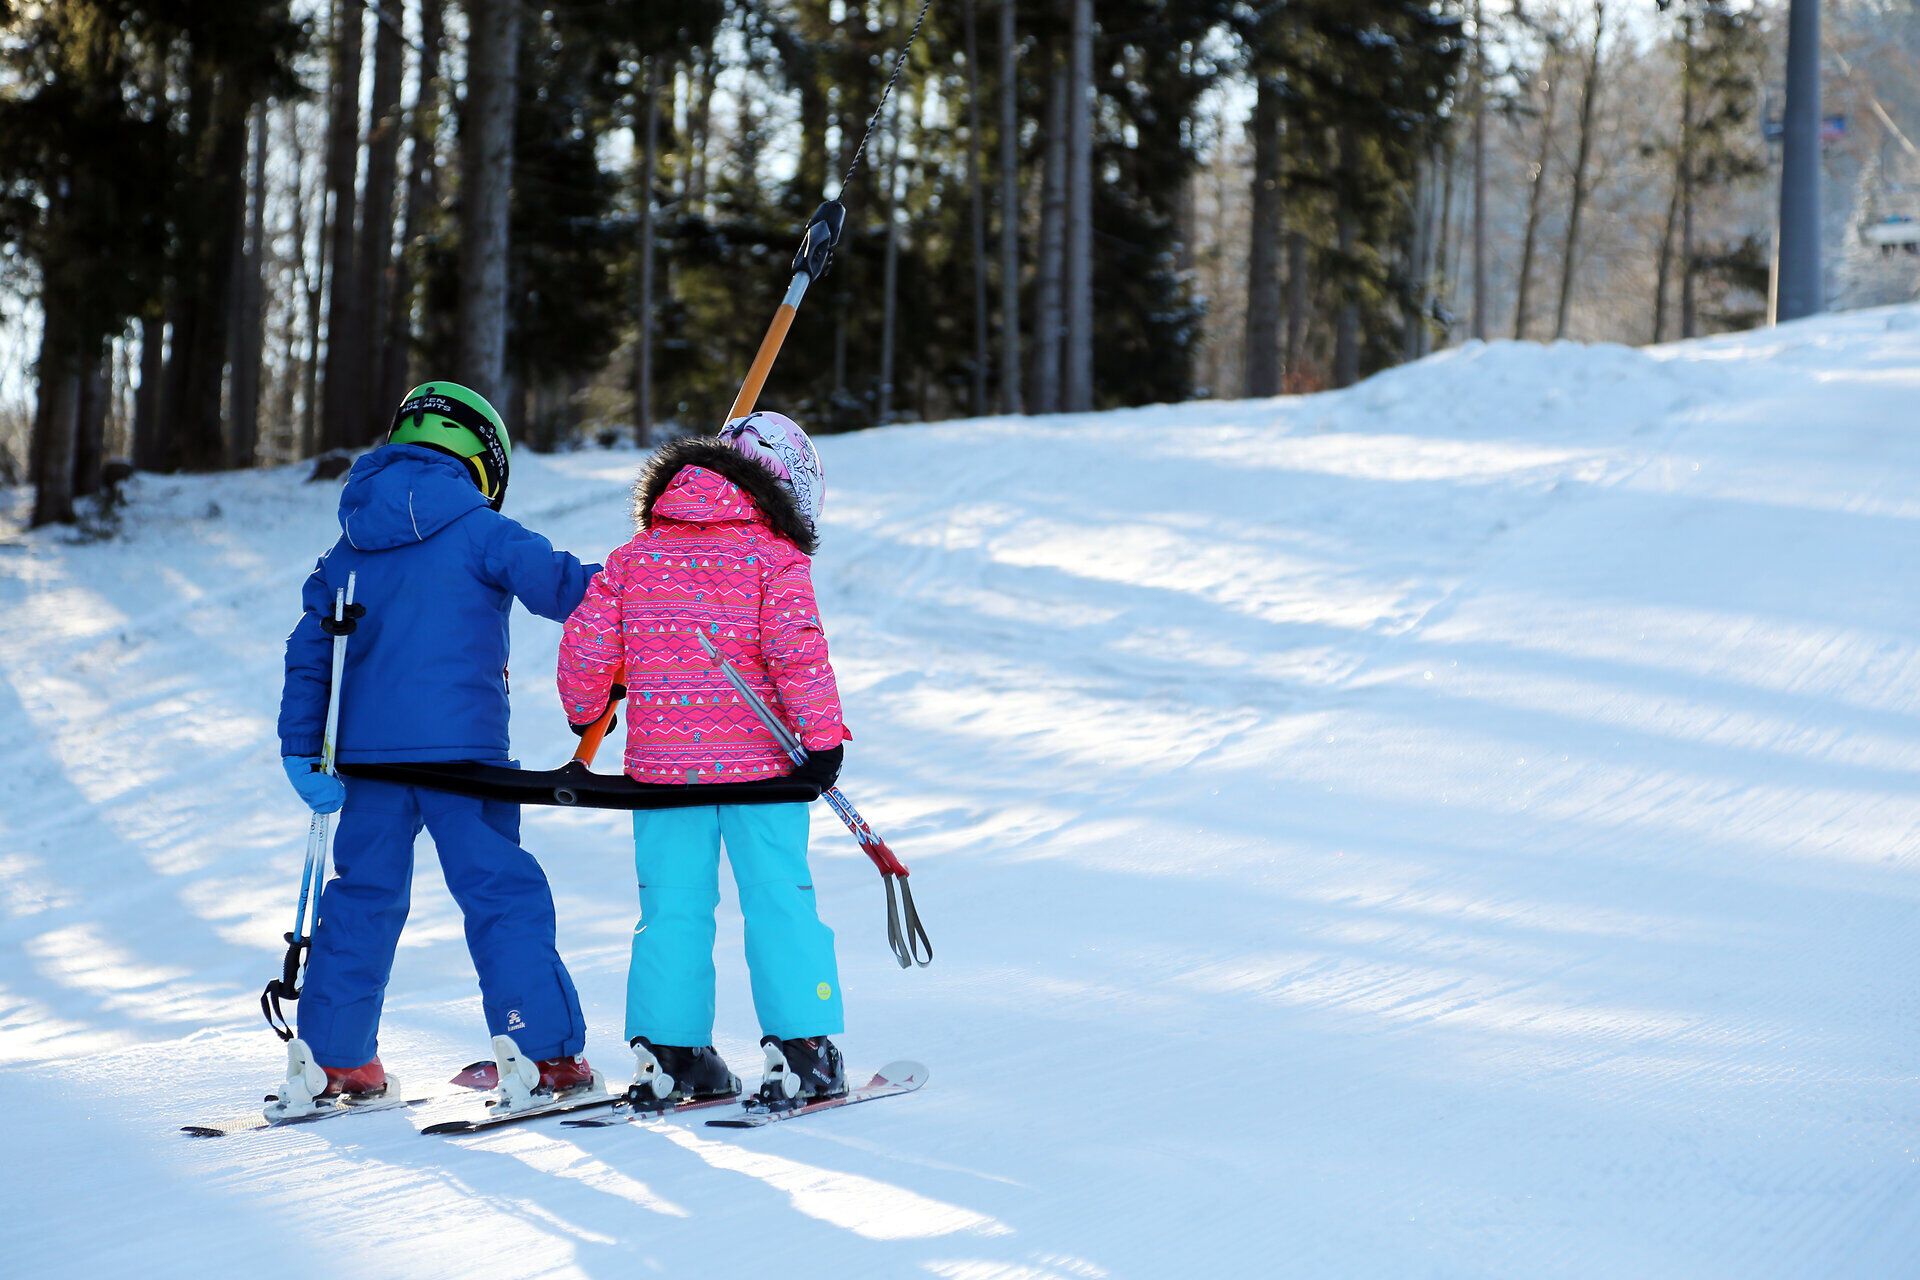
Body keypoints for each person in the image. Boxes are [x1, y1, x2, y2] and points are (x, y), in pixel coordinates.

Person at [277, 381, 598, 1106]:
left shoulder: (346, 547)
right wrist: (646, 584)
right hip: (466, 761)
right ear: (485, 459)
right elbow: (568, 591)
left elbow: (310, 652)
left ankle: (336, 1060)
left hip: (368, 765)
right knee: (499, 893)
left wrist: (304, 747)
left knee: (361, 899)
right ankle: (543, 1053)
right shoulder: (483, 529)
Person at [556, 411, 851, 1107]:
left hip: (663, 777)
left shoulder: (636, 556)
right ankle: (802, 1047)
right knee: (780, 902)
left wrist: (587, 709)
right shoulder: (776, 559)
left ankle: (671, 1051)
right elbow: (796, 653)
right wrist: (823, 740)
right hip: (765, 771)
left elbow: (587, 646)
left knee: (672, 908)